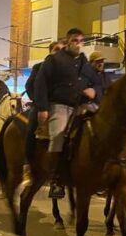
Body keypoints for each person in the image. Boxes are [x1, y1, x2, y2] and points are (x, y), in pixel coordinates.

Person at [34, 27, 101, 199]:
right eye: (74, 41)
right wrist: (42, 108)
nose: (78, 44)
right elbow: (41, 83)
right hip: (61, 105)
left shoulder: (86, 64)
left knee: (104, 128)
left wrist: (94, 91)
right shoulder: (54, 60)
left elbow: (99, 84)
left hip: (83, 106)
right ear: (68, 41)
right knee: (58, 136)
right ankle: (57, 179)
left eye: (81, 41)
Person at [22, 40, 64, 185]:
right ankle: (27, 164)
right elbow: (30, 86)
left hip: (60, 106)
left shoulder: (66, 69)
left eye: (62, 50)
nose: (59, 52)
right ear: (51, 51)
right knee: (32, 126)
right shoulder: (39, 67)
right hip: (42, 105)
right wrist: (41, 104)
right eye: (56, 49)